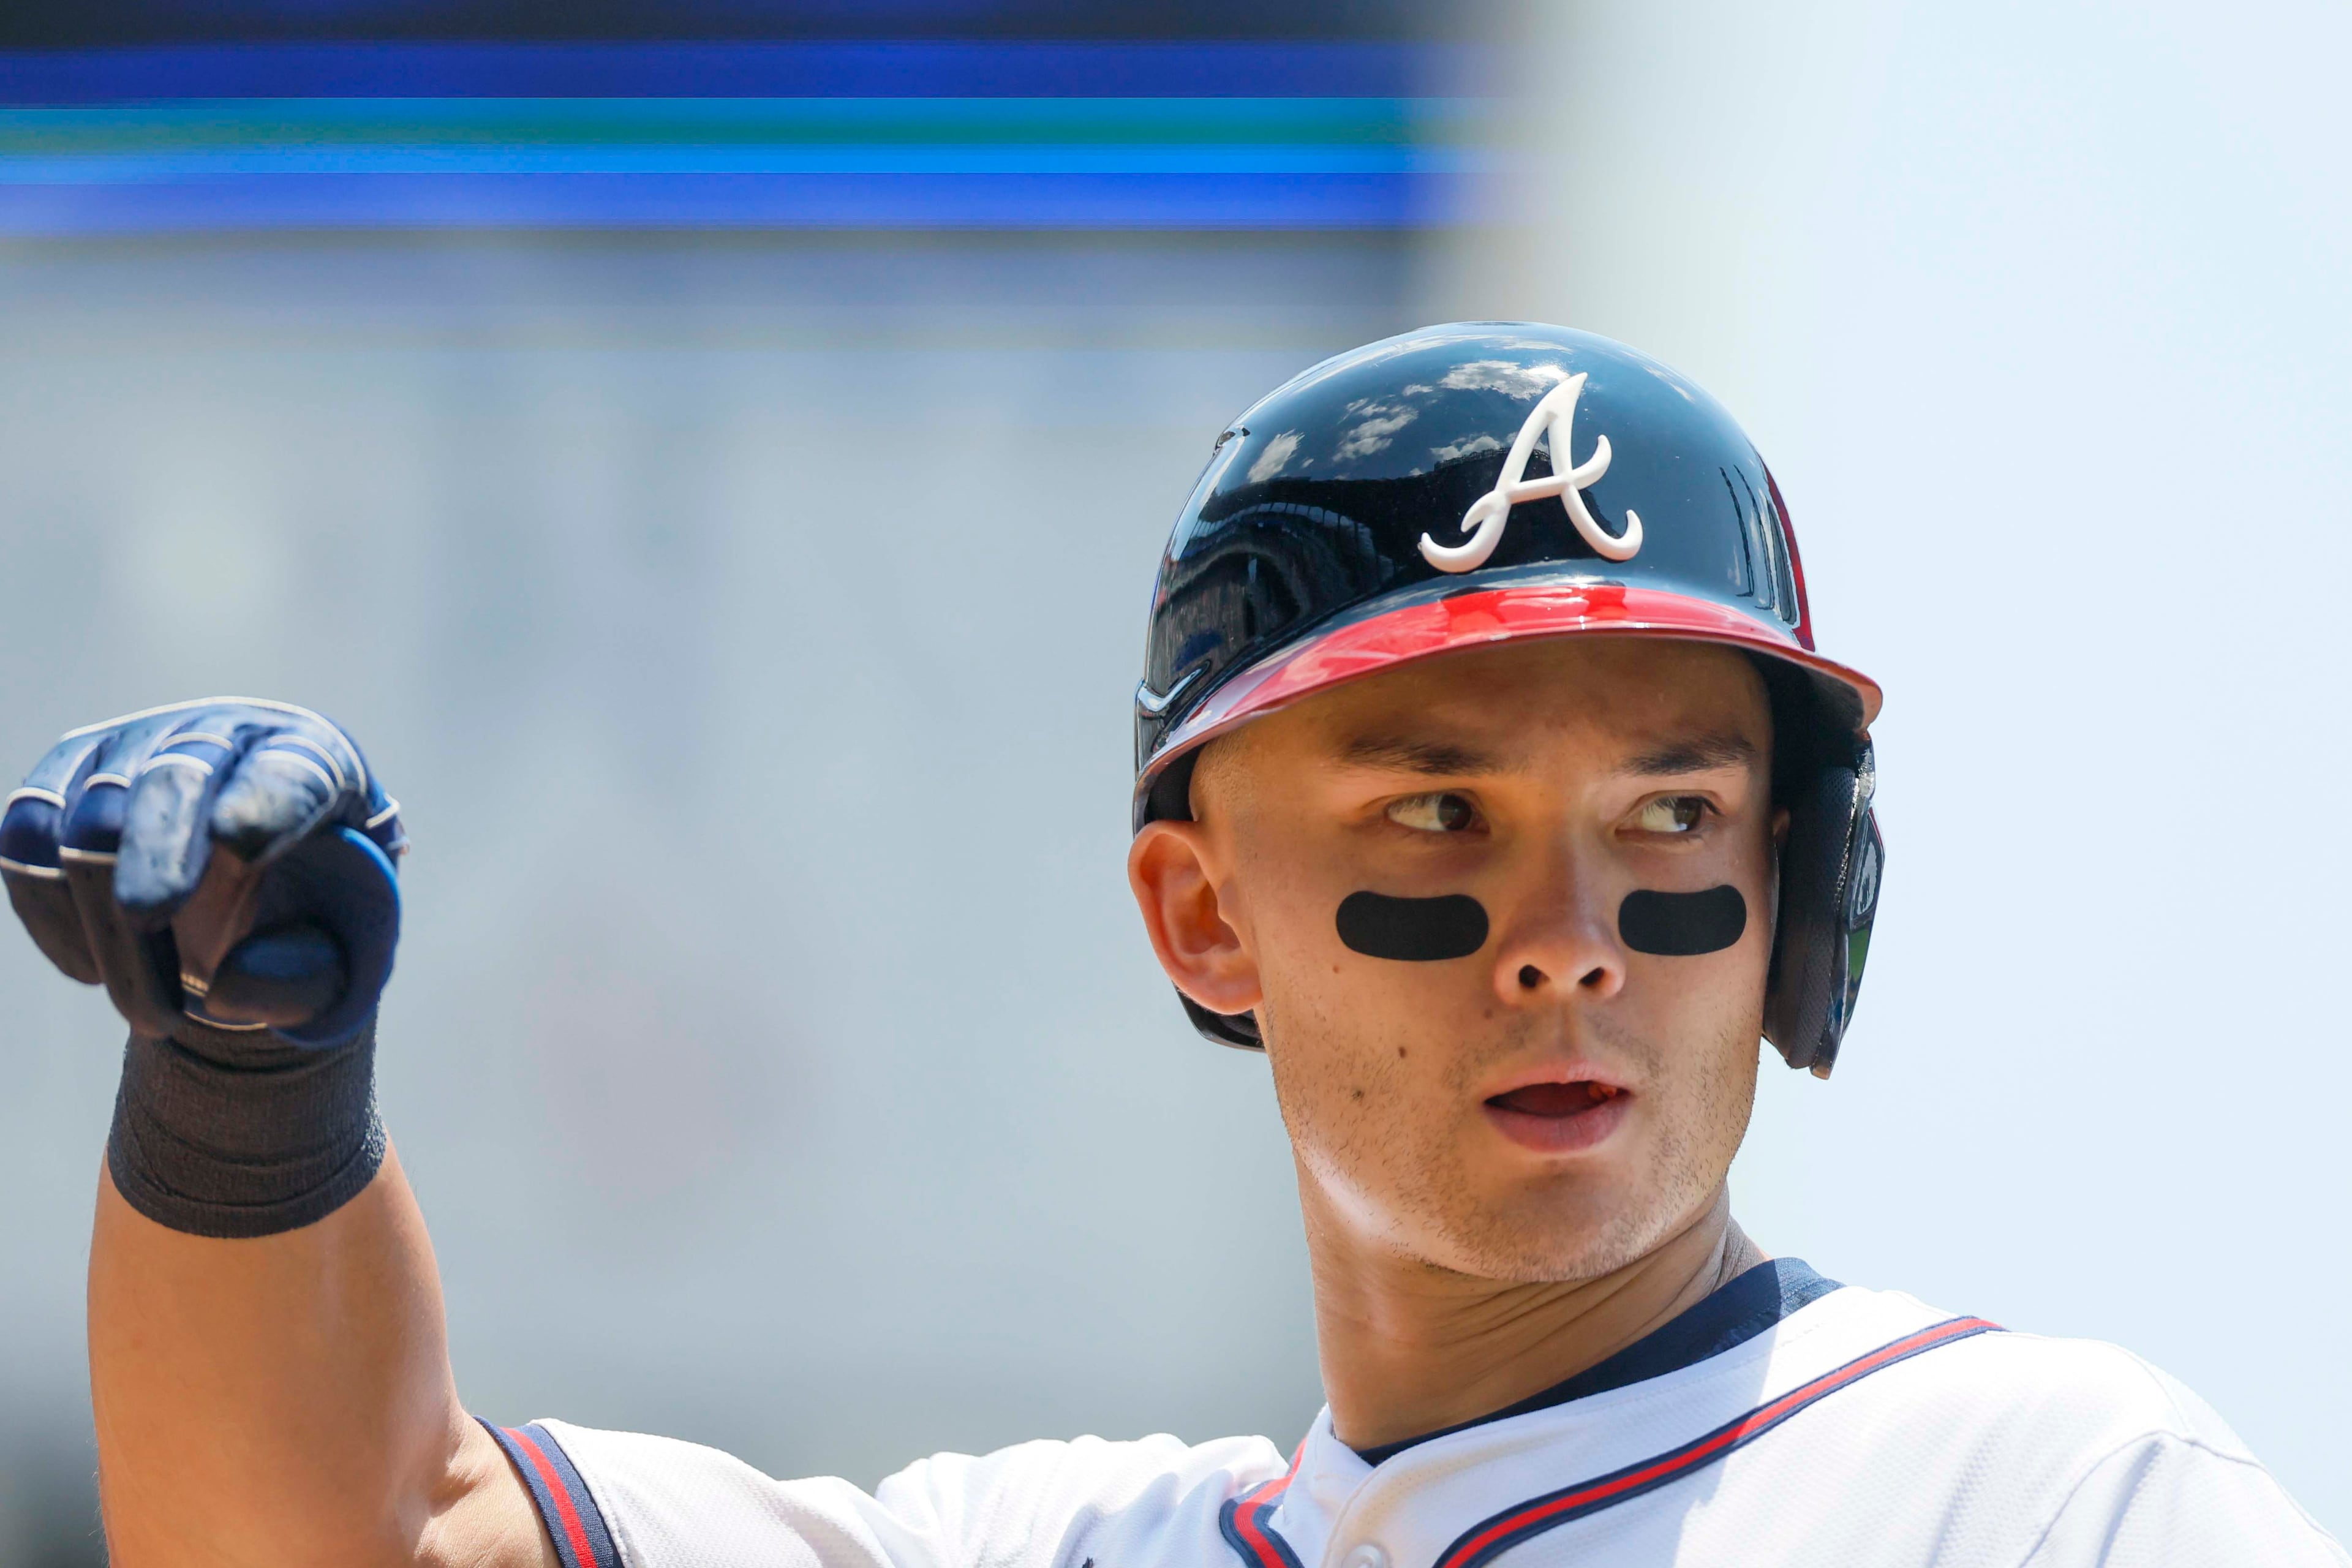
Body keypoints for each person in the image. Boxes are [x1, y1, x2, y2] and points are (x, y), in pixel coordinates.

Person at [1, 323, 2338, 1567]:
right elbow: (333, 1549)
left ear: (1800, 900)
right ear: (1204, 911)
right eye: (1443, 811)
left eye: (1670, 817)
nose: (1573, 939)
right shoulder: (1051, 1549)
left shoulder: (2040, 1498)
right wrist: (248, 1073)